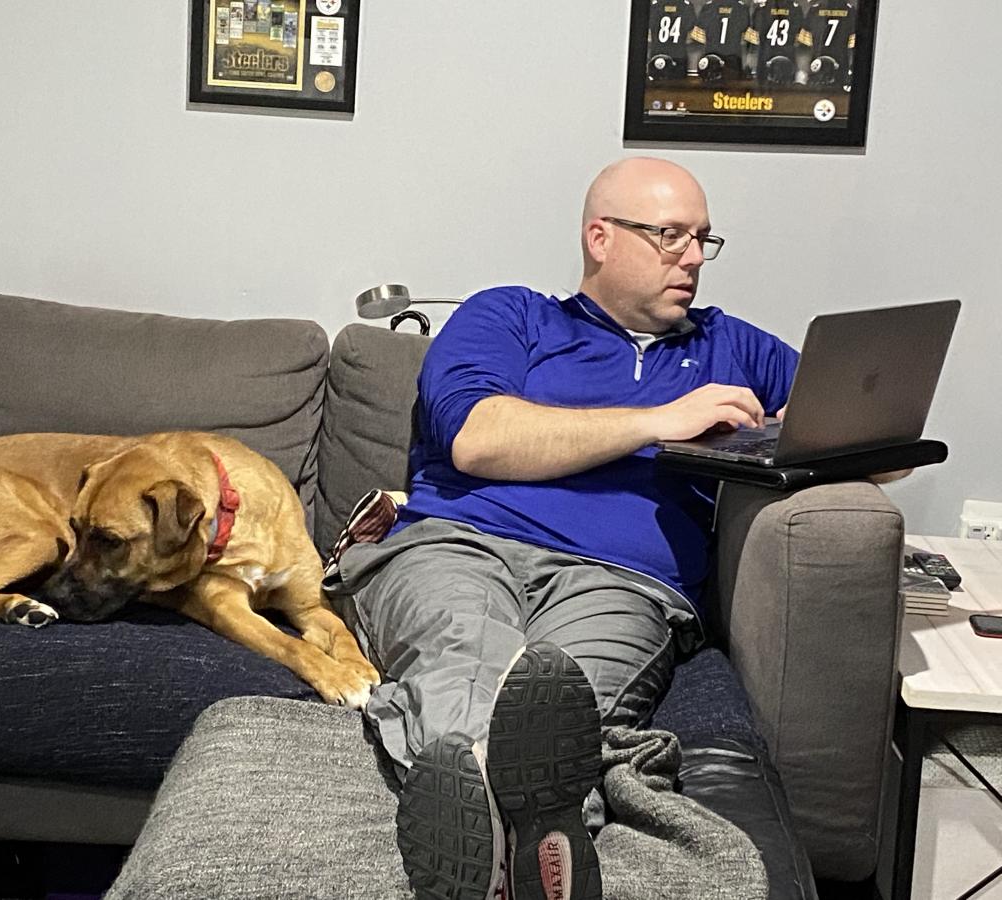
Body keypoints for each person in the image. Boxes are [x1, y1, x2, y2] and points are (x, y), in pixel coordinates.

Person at [329, 157, 800, 900]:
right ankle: (538, 849)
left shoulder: (733, 348)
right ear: (600, 237)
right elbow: (477, 437)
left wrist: (813, 439)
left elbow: (853, 427)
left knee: (567, 695)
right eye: (669, 235)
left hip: (624, 581)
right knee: (467, 654)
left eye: (702, 240)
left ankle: (491, 850)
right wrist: (660, 422)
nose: (690, 258)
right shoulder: (509, 316)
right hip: (460, 544)